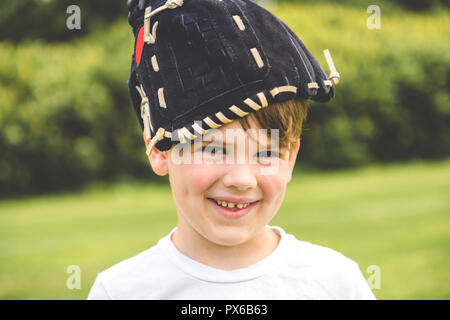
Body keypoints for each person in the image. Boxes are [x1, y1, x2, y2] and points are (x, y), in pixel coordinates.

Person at [87, 0, 375, 299]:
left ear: (290, 158)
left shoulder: (336, 284)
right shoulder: (120, 292)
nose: (242, 179)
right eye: (214, 150)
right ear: (160, 150)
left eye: (265, 154)